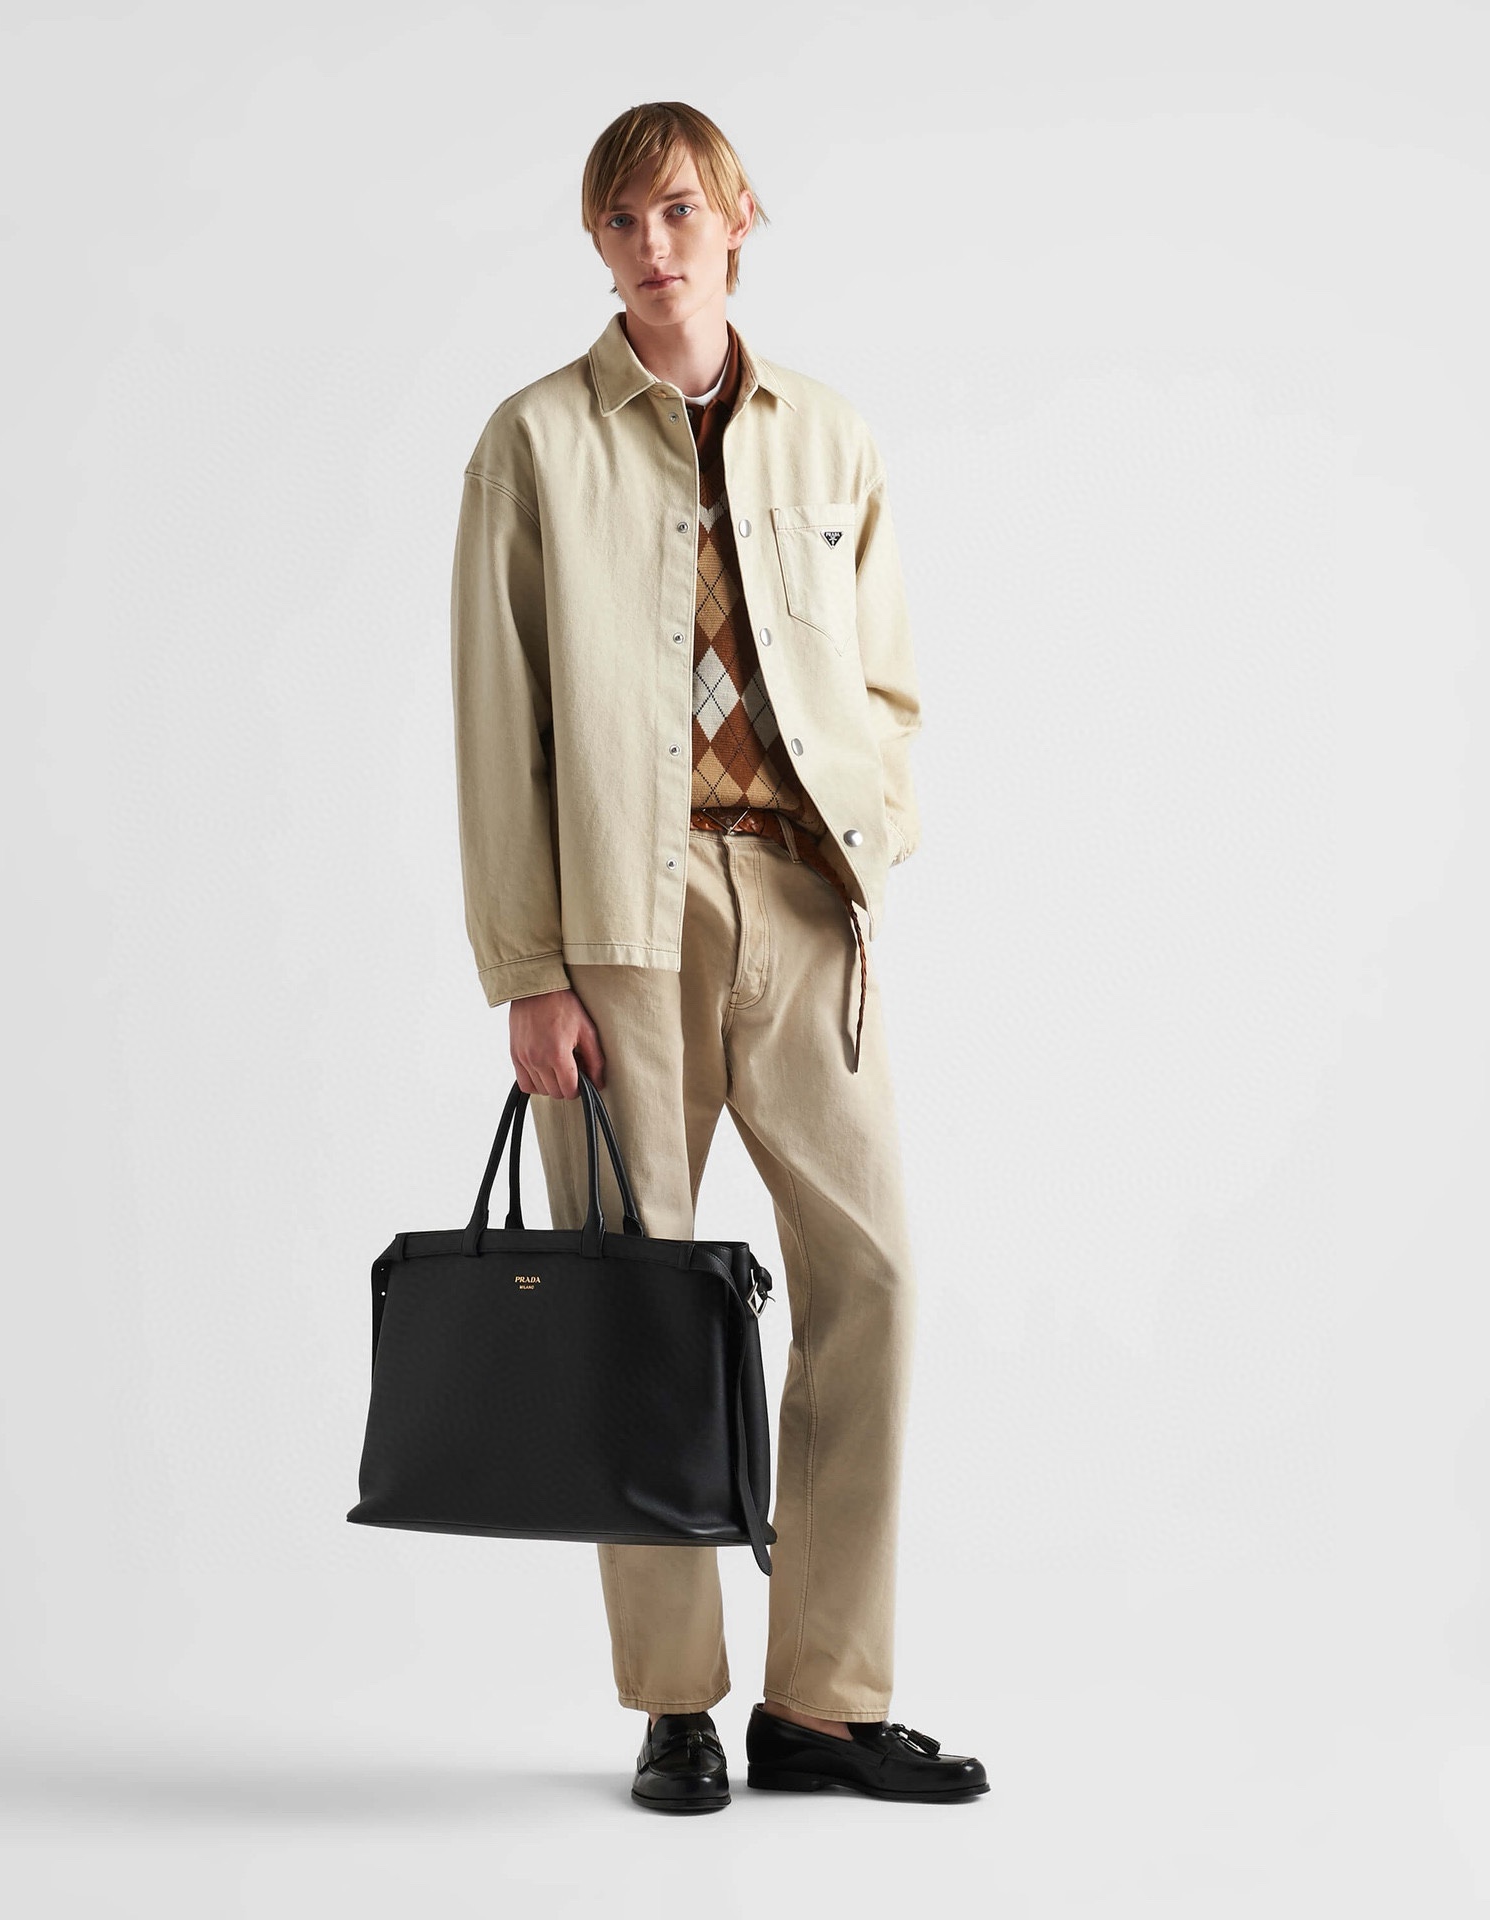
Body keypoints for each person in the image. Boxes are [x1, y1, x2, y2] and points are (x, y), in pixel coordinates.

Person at [449, 100, 988, 1812]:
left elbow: (888, 692)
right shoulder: (532, 445)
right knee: (639, 1299)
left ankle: (821, 1704)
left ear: (739, 217)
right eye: (621, 222)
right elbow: (498, 728)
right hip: (623, 915)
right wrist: (528, 970)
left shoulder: (830, 437)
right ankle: (676, 1702)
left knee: (872, 1279)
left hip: (806, 902)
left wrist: (869, 840)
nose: (652, 246)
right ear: (597, 244)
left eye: (678, 210)